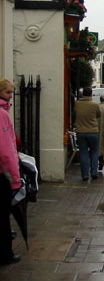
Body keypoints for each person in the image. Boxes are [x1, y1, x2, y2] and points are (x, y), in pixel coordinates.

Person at [0, 78, 21, 265]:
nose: (10, 96)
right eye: (7, 92)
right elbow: (6, 150)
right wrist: (16, 178)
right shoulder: (2, 114)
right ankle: (5, 254)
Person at [74, 87, 101, 181]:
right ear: (91, 94)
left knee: (83, 152)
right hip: (93, 131)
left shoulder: (77, 104)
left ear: (82, 94)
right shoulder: (94, 104)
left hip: (80, 131)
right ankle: (94, 172)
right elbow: (98, 114)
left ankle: (85, 175)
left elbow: (75, 113)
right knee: (94, 151)